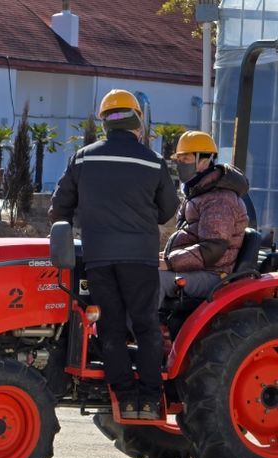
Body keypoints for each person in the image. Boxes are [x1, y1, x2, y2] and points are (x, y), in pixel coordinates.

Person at [49, 89, 179, 420]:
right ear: (138, 122)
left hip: (99, 258)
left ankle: (124, 397)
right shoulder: (152, 161)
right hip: (141, 259)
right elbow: (168, 210)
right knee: (146, 326)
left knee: (110, 328)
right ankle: (149, 400)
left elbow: (59, 208)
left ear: (105, 122)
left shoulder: (83, 159)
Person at [159, 131, 249, 303]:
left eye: (186, 159)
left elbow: (212, 249)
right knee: (139, 269)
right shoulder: (198, 193)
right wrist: (164, 256)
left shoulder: (220, 199)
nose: (180, 164)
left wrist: (170, 262)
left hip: (213, 274)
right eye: (179, 159)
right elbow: (189, 238)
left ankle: (142, 322)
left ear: (204, 160)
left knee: (154, 280)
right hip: (193, 267)